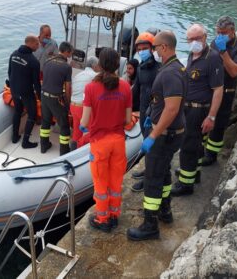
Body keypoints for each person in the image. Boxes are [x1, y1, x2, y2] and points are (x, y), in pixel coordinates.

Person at [127, 31, 187, 241]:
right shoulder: (176, 67)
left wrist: (153, 133)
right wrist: (151, 115)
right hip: (170, 132)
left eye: (155, 47)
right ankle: (165, 211)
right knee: (163, 173)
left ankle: (150, 225)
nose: (153, 52)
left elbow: (171, 109)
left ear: (164, 47)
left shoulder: (169, 72)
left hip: (164, 135)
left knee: (153, 178)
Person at [80, 48, 132, 233]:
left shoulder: (91, 87)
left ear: (99, 65)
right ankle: (114, 214)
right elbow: (127, 120)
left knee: (101, 183)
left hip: (100, 143)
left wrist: (84, 125)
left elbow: (84, 121)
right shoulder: (125, 86)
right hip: (118, 141)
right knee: (116, 181)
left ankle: (103, 219)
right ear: (118, 64)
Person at [171, 24, 224, 197]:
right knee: (195, 145)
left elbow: (218, 89)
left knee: (188, 146)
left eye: (198, 38)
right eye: (191, 39)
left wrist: (212, 117)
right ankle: (193, 172)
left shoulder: (213, 58)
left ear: (205, 37)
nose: (194, 42)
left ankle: (185, 184)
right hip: (187, 107)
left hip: (199, 110)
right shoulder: (192, 55)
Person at [201, 16, 237, 166]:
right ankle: (200, 150)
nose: (219, 35)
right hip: (210, 88)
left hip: (227, 89)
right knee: (203, 119)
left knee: (219, 123)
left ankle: (211, 155)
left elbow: (234, 71)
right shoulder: (215, 42)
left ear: (232, 31)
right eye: (218, 32)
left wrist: (223, 52)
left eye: (223, 32)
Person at [130, 32, 161, 193]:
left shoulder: (158, 69)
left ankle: (148, 179)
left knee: (153, 149)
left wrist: (152, 114)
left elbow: (159, 95)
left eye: (145, 48)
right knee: (147, 145)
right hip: (143, 111)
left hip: (153, 114)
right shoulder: (141, 68)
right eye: (139, 48)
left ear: (152, 48)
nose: (142, 51)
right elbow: (136, 89)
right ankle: (146, 170)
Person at [39, 41, 73, 155]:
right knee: (64, 125)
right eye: (70, 53)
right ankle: (64, 151)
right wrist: (68, 104)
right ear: (67, 52)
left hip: (44, 96)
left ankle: (44, 146)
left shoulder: (48, 61)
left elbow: (45, 79)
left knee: (46, 121)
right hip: (56, 99)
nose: (70, 56)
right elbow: (68, 88)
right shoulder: (67, 67)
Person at [8, 34, 41, 149]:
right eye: (37, 43)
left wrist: (13, 87)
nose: (38, 45)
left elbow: (9, 72)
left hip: (14, 89)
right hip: (26, 91)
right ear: (30, 43)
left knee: (18, 111)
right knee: (32, 114)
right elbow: (36, 83)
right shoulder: (33, 61)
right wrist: (40, 97)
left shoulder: (13, 54)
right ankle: (25, 142)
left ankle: (14, 137)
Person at [70, 56, 100, 149]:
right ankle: (83, 149)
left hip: (73, 106)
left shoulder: (78, 75)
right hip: (82, 108)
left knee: (76, 131)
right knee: (93, 131)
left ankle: (73, 150)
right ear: (94, 66)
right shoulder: (95, 76)